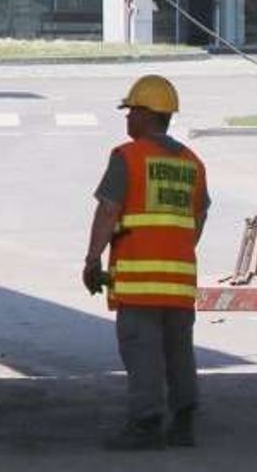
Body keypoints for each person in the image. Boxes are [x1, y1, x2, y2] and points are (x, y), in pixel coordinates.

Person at [82, 73, 209, 452]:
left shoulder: (128, 157)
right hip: (180, 280)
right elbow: (198, 216)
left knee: (143, 351)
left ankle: (146, 424)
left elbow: (108, 212)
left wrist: (92, 260)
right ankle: (183, 424)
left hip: (140, 280)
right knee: (179, 351)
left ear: (145, 114)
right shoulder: (193, 163)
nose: (126, 118)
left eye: (130, 110)